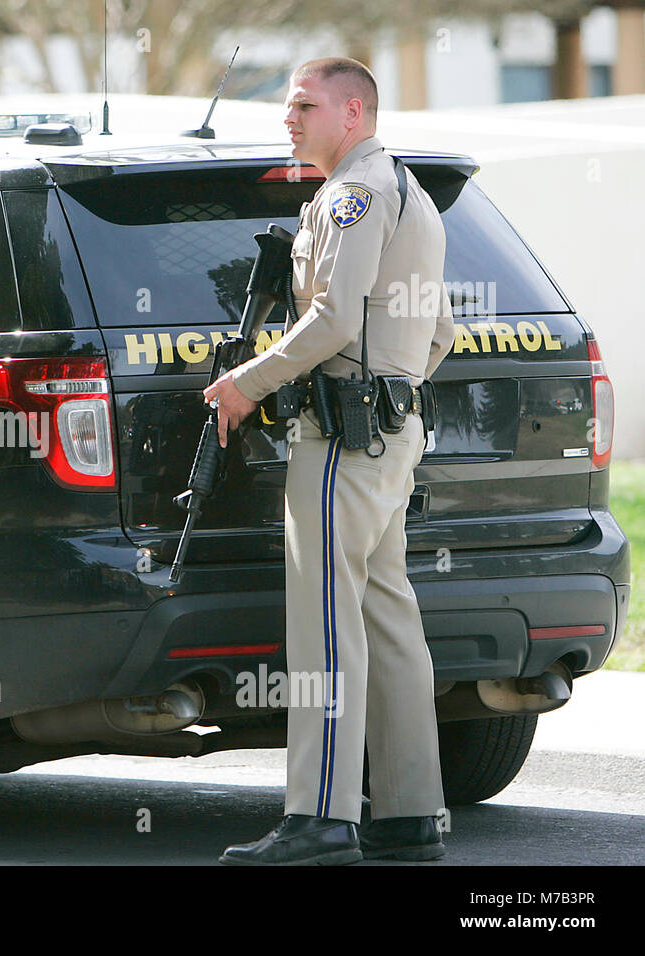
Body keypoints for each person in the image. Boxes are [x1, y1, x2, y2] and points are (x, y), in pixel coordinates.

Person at [205, 57, 456, 865]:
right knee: (388, 621)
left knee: (324, 626)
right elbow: (440, 331)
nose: (290, 117)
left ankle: (320, 819)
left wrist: (246, 382)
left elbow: (334, 318)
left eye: (304, 105)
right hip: (389, 436)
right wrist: (395, 391)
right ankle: (413, 815)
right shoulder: (409, 191)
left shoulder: (352, 194)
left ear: (353, 112)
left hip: (343, 442)